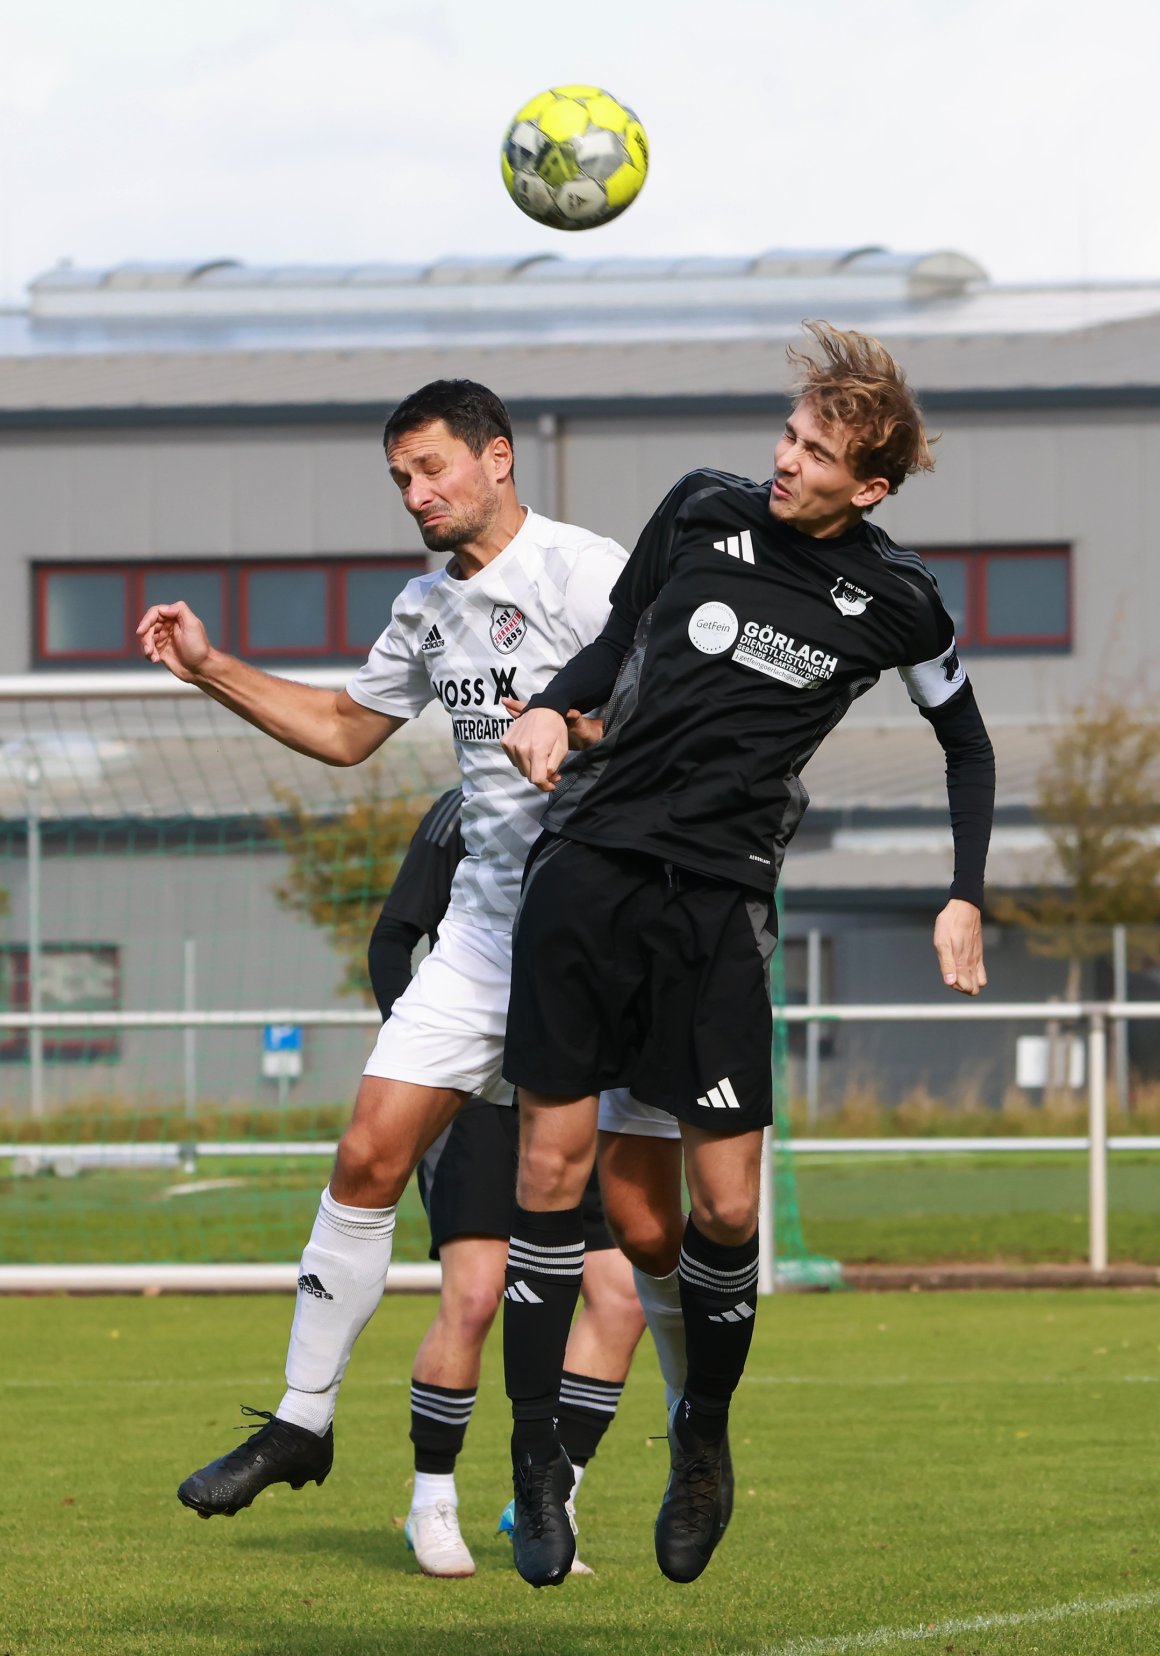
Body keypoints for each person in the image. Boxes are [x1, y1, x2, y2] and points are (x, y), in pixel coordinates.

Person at [499, 322, 996, 1589]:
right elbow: (610, 650)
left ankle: (701, 1440)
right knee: (553, 1173)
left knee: (722, 1209)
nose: (783, 461)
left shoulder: (900, 601)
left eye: (815, 451)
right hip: (590, 867)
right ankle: (534, 1465)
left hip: (716, 910)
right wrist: (554, 706)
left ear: (867, 485)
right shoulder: (699, 510)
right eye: (786, 433)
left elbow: (966, 747)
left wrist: (959, 895)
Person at [137, 378, 634, 1523]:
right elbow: (346, 734)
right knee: (366, 1154)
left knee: (641, 1237)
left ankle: (614, 1462)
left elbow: (673, 709)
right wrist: (211, 667)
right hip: (481, 933)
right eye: (400, 479)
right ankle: (301, 1421)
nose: (415, 494)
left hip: (604, 934)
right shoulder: (423, 607)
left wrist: (577, 722)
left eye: (431, 469)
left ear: (496, 457)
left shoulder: (585, 571)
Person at [367, 786, 648, 1578]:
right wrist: (433, 1070)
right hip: (478, 1099)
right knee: (477, 1296)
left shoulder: (620, 802)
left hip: (571, 1092)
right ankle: (432, 1502)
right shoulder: (465, 806)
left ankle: (546, 1499)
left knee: (622, 1295)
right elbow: (392, 942)